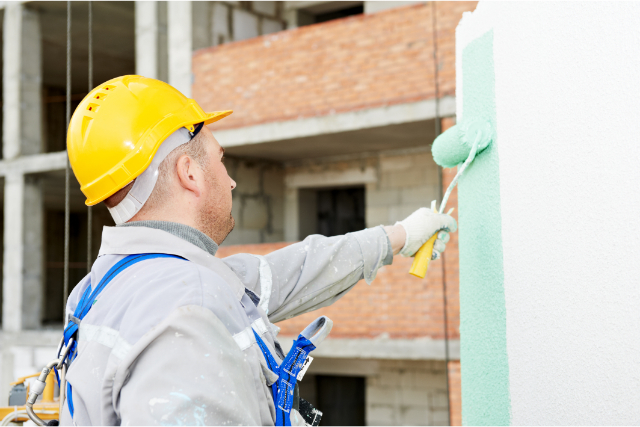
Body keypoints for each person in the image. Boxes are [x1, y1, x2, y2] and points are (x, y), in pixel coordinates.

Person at [61, 75, 456, 426]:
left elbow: (294, 272)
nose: (231, 182)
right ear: (190, 173)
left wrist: (400, 235)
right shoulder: (189, 307)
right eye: (220, 160)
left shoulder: (103, 289)